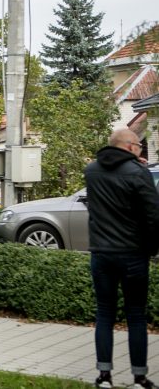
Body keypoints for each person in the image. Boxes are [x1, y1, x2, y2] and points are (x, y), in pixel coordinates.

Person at [85, 128, 159, 389]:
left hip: (101, 254)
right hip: (132, 254)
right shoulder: (138, 173)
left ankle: (104, 377)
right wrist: (151, 250)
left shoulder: (91, 171)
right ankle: (139, 378)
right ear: (128, 147)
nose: (141, 149)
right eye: (138, 145)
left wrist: (134, 165)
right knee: (136, 316)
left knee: (104, 314)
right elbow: (153, 216)